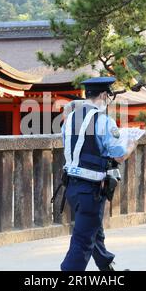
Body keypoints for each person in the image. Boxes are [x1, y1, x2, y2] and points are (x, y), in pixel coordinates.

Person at [60, 77, 135, 271]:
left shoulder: (69, 120)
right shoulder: (104, 121)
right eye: (109, 96)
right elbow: (118, 156)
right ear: (103, 95)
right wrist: (132, 145)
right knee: (83, 240)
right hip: (90, 188)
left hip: (71, 187)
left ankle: (106, 268)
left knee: (93, 230)